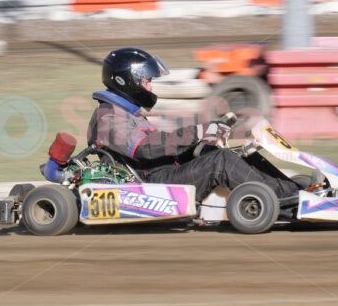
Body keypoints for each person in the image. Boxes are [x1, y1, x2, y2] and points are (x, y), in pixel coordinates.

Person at [77, 47, 300, 203]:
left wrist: (199, 140)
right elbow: (144, 147)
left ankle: (291, 190)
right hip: (151, 185)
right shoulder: (108, 118)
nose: (150, 89)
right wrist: (197, 132)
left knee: (235, 152)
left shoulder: (127, 112)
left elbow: (161, 145)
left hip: (161, 172)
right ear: (126, 82)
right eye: (146, 82)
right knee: (219, 162)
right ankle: (284, 202)